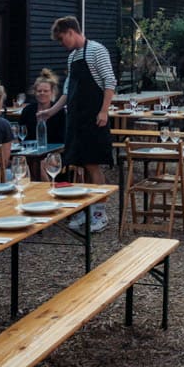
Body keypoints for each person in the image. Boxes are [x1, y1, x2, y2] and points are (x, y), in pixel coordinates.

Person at [45, 16, 116, 233]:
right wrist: (51, 111)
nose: (61, 44)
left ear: (70, 32)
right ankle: (86, 210)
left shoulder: (96, 50)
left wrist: (103, 110)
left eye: (61, 39)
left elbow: (109, 81)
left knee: (93, 164)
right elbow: (68, 91)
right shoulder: (72, 57)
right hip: (75, 119)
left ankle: (100, 214)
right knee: (80, 165)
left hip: (94, 117)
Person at [20, 70, 65, 146]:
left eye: (46, 91)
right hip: (31, 152)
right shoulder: (27, 110)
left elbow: (63, 138)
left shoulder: (59, 111)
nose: (42, 93)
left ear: (52, 92)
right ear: (35, 92)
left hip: (54, 152)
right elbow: (22, 134)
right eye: (39, 91)